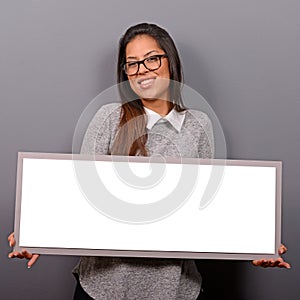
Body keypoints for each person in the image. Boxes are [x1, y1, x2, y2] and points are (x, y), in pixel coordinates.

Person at [8, 23, 291, 300]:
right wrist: (34, 235)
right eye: (132, 64)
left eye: (152, 59)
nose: (142, 70)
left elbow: (209, 205)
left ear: (171, 62)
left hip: (176, 289)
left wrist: (257, 244)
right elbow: (80, 196)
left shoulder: (198, 125)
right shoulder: (109, 118)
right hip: (104, 288)